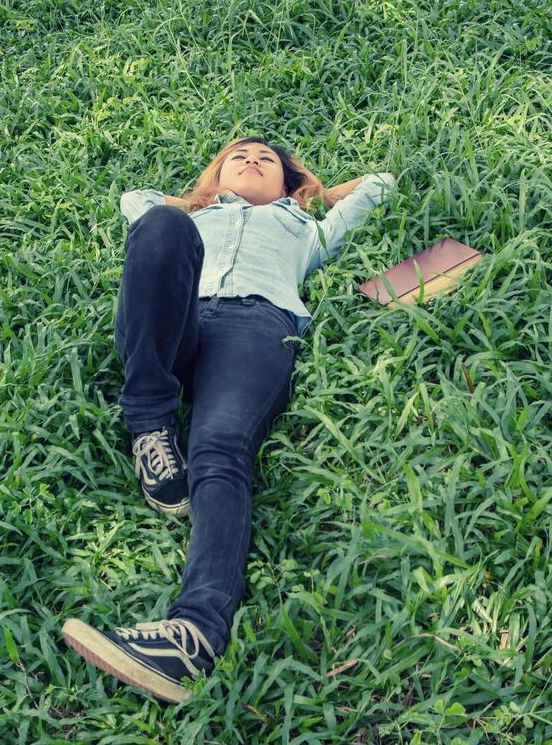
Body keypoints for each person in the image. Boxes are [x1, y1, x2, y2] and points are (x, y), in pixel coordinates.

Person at [62, 135, 397, 704]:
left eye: (267, 160)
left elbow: (378, 186)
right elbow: (135, 200)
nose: (251, 161)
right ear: (215, 176)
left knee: (219, 448)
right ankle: (152, 424)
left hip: (255, 329)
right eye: (236, 157)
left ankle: (195, 631)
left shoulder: (306, 231)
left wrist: (311, 193)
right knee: (163, 231)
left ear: (288, 183)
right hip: (179, 322)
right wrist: (201, 200)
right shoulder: (192, 217)